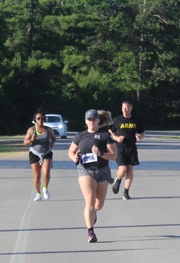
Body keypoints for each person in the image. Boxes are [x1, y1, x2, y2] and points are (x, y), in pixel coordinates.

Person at [68, 109, 117, 243]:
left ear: (98, 121)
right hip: (85, 170)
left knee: (98, 205)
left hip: (102, 171)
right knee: (90, 199)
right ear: (85, 121)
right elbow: (71, 152)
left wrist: (100, 153)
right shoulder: (80, 136)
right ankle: (90, 232)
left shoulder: (105, 135)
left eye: (94, 119)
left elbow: (114, 156)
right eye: (89, 120)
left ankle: (93, 213)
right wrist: (75, 157)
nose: (91, 122)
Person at [110, 100, 145, 200]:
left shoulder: (135, 120)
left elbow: (142, 132)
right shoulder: (117, 120)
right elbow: (110, 131)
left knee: (130, 170)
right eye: (123, 108)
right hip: (120, 147)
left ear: (131, 108)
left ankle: (126, 192)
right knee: (123, 170)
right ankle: (118, 180)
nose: (125, 110)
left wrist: (140, 136)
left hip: (132, 147)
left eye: (127, 108)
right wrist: (116, 138)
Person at [23, 110, 56, 200]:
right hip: (34, 153)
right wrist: (31, 140)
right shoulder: (31, 130)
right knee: (37, 176)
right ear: (35, 120)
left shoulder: (48, 130)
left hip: (46, 152)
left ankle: (45, 188)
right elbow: (25, 142)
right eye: (38, 119)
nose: (40, 120)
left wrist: (52, 143)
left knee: (46, 173)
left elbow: (54, 138)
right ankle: (38, 194)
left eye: (42, 119)